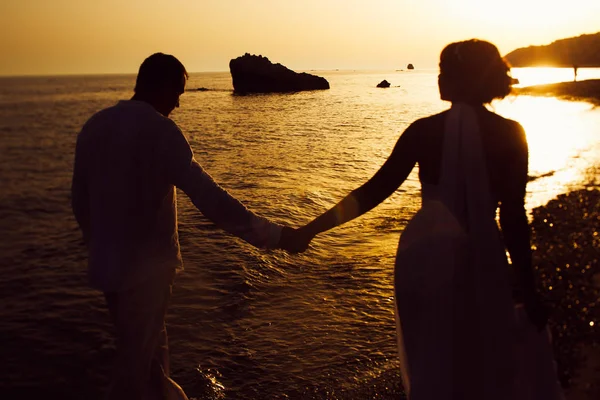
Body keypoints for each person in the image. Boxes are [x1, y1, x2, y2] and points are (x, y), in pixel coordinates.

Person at [283, 40, 563, 399]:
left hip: (426, 262)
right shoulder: (510, 133)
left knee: (433, 360)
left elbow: (373, 192)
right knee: (487, 360)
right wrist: (528, 286)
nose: (439, 78)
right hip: (485, 257)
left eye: (445, 71)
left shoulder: (423, 131)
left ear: (465, 77)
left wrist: (309, 231)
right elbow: (512, 217)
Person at [71, 53, 290, 400]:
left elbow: (80, 202)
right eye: (177, 92)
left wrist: (97, 245)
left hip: (107, 270)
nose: (178, 102)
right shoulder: (160, 131)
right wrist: (274, 236)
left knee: (148, 362)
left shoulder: (94, 126)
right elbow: (209, 198)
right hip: (147, 274)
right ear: (160, 86)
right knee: (137, 372)